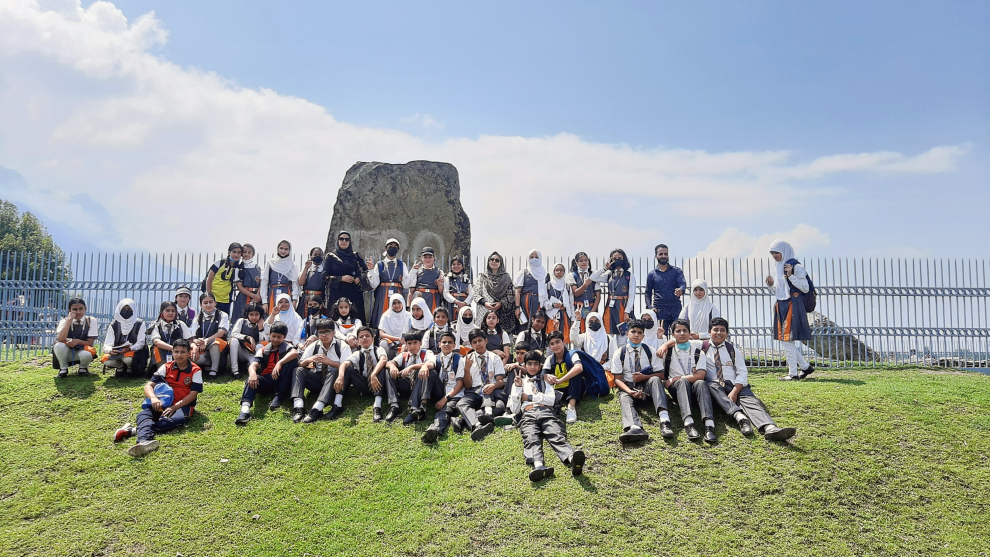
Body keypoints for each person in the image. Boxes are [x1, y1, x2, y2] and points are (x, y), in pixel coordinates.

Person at [698, 317, 797, 441]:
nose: (719, 333)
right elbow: (680, 340)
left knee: (751, 402)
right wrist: (665, 346)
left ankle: (770, 428)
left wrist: (735, 391)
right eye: (715, 330)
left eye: (722, 330)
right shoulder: (702, 346)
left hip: (735, 384)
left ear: (727, 333)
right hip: (716, 387)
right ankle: (741, 418)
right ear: (709, 332)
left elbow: (742, 372)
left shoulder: (732, 349)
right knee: (712, 385)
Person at [113, 339, 202, 457]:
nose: (179, 355)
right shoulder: (166, 367)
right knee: (143, 415)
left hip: (183, 406)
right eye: (176, 352)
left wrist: (174, 407)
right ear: (172, 352)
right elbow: (149, 385)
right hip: (162, 403)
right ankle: (144, 442)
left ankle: (131, 431)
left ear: (189, 353)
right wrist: (154, 398)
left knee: (166, 423)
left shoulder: (195, 370)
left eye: (183, 352)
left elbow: (193, 395)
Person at [510, 350, 587, 481]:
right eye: (529, 364)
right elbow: (514, 408)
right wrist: (518, 389)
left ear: (540, 366)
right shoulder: (518, 382)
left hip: (546, 412)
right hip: (528, 414)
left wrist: (528, 397)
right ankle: (538, 465)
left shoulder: (546, 380)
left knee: (556, 433)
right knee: (530, 437)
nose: (533, 367)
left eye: (536, 364)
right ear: (525, 365)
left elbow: (550, 400)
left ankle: (571, 457)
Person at [610, 319, 671, 444]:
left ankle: (664, 420)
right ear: (627, 333)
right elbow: (617, 379)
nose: (636, 335)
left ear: (643, 335)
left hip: (646, 386)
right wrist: (630, 391)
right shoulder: (619, 353)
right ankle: (635, 427)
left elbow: (661, 375)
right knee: (624, 397)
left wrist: (643, 377)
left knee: (655, 379)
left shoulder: (650, 351)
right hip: (629, 386)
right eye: (633, 331)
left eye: (639, 332)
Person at [766, 239, 816, 381]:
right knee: (784, 339)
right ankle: (805, 367)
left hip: (792, 304)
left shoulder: (796, 266)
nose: (775, 256)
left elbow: (805, 287)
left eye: (777, 252)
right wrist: (770, 285)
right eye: (772, 253)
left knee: (787, 339)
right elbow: (780, 289)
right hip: (780, 304)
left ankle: (793, 373)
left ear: (784, 251)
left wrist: (791, 275)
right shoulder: (778, 267)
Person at [662, 319, 716, 443]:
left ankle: (709, 425)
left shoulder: (698, 352)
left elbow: (701, 375)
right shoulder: (668, 352)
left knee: (701, 383)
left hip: (694, 388)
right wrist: (664, 344)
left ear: (689, 333)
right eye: (678, 331)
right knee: (682, 382)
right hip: (677, 389)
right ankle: (689, 424)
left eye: (685, 330)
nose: (682, 333)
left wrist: (675, 378)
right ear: (673, 335)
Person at [235, 321, 298, 425]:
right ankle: (245, 411)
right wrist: (253, 374)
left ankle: (279, 396)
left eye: (279, 337)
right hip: (267, 379)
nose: (276, 339)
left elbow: (295, 353)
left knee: (291, 363)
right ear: (270, 335)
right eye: (273, 336)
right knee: (251, 379)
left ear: (284, 337)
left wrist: (279, 363)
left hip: (282, 379)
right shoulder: (264, 349)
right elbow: (253, 364)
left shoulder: (288, 347)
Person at [327, 326, 390, 422]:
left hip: (378, 383)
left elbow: (383, 360)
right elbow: (344, 363)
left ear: (372, 339)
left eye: (367, 336)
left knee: (382, 369)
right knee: (347, 369)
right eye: (361, 337)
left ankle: (377, 406)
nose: (364, 338)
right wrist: (340, 376)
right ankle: (337, 404)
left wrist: (373, 375)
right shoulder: (357, 354)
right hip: (364, 384)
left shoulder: (379, 350)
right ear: (358, 341)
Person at [293, 319, 347, 423]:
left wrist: (329, 362)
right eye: (321, 332)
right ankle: (298, 406)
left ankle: (318, 408)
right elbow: (300, 363)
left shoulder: (342, 346)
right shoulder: (314, 345)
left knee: (335, 369)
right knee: (298, 370)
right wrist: (309, 360)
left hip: (335, 383)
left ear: (334, 332)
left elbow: (347, 367)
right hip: (317, 379)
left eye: (327, 331)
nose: (324, 335)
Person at [418, 331, 467, 443]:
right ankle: (421, 405)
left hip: (453, 394)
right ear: (439, 344)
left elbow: (460, 385)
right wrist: (425, 366)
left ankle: (435, 429)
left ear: (454, 345)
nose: (446, 344)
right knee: (430, 372)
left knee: (446, 409)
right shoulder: (436, 357)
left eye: (450, 342)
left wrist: (445, 399)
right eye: (444, 342)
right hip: (439, 390)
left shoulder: (460, 360)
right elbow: (430, 364)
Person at [454, 329, 502, 441]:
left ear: (486, 341)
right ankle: (477, 425)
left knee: (500, 407)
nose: (478, 344)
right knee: (460, 404)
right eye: (474, 342)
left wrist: (493, 386)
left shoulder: (495, 357)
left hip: (491, 390)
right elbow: (468, 386)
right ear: (471, 345)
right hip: (474, 391)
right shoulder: (465, 359)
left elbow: (500, 381)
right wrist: (466, 369)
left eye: (480, 340)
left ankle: (462, 420)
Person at [385, 332, 435, 424]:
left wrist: (412, 367)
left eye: (415, 342)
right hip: (406, 384)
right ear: (406, 344)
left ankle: (414, 408)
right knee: (388, 370)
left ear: (420, 343)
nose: (412, 346)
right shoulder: (404, 355)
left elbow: (431, 363)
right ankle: (394, 405)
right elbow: (389, 362)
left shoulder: (427, 352)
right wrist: (392, 366)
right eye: (409, 343)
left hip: (420, 385)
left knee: (424, 370)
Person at [590, 248, 636, 346]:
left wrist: (627, 312)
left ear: (624, 259)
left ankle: (622, 359)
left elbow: (631, 295)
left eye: (619, 258)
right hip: (610, 307)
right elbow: (593, 277)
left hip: (622, 307)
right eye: (614, 258)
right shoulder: (608, 274)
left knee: (622, 338)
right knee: (609, 337)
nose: (617, 260)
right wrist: (605, 268)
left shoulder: (629, 275)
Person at [365, 238, 415, 328]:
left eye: (395, 246)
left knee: (397, 315)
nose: (393, 248)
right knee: (381, 315)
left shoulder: (401, 264)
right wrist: (371, 270)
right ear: (385, 248)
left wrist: (414, 271)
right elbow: (374, 284)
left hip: (397, 292)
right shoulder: (379, 264)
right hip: (383, 294)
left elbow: (406, 285)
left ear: (398, 250)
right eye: (390, 246)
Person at [542, 330, 585, 424]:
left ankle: (571, 407)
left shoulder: (572, 354)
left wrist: (561, 380)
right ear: (549, 347)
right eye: (552, 344)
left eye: (558, 342)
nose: (555, 345)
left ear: (564, 342)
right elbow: (543, 374)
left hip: (573, 388)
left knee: (576, 373)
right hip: (558, 391)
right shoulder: (550, 359)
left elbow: (579, 367)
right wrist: (547, 376)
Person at [324, 231, 368, 323]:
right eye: (341, 239)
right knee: (335, 321)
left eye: (347, 239)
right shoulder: (331, 257)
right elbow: (325, 277)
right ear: (338, 241)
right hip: (337, 293)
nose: (344, 241)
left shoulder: (355, 256)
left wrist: (359, 278)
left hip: (354, 293)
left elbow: (365, 271)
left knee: (356, 320)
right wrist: (340, 278)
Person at [645, 244, 687, 335]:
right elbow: (648, 292)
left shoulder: (676, 271)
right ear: (656, 256)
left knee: (678, 335)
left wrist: (681, 290)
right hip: (659, 310)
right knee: (661, 336)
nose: (663, 256)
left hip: (675, 308)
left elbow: (682, 284)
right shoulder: (652, 274)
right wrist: (650, 307)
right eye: (661, 254)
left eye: (665, 254)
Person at [52, 297, 98, 378]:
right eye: (74, 309)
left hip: (82, 350)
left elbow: (90, 343)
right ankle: (63, 368)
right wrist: (69, 321)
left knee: (87, 355)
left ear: (85, 309)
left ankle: (83, 368)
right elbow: (60, 339)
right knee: (59, 345)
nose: (78, 312)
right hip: (66, 352)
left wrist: (76, 341)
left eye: (81, 309)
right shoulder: (64, 321)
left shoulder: (91, 320)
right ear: (69, 310)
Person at [101, 298, 147, 377]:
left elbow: (141, 343)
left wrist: (129, 349)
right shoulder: (114, 325)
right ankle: (120, 367)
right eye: (124, 309)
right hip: (118, 351)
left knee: (128, 359)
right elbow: (108, 343)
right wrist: (110, 350)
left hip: (133, 352)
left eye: (129, 309)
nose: (126, 311)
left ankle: (130, 368)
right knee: (106, 361)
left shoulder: (140, 323)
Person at [475, 251, 517, 336]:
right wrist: (485, 303)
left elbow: (511, 294)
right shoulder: (482, 277)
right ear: (488, 261)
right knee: (482, 335)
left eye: (497, 260)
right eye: (492, 259)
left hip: (501, 312)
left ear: (500, 263)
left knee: (500, 337)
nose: (494, 261)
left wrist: (501, 303)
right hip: (484, 310)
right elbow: (476, 293)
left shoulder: (506, 277)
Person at [148, 301, 194, 374]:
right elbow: (156, 342)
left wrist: (192, 348)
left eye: (173, 311)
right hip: (163, 351)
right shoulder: (156, 325)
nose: (170, 313)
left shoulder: (181, 324)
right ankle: (164, 371)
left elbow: (190, 341)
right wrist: (174, 349)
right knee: (155, 349)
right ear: (161, 312)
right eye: (167, 310)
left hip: (179, 353)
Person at [192, 292, 230, 379]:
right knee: (195, 358)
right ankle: (207, 364)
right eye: (205, 303)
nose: (208, 305)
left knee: (215, 343)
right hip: (202, 345)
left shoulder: (222, 315)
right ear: (201, 305)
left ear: (215, 303)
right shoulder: (197, 318)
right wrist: (198, 341)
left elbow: (221, 332)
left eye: (211, 302)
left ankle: (214, 370)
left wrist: (207, 340)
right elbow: (193, 336)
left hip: (217, 344)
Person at [228, 302, 268, 379]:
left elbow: (265, 341)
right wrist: (248, 337)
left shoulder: (263, 324)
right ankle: (234, 370)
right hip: (240, 351)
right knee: (234, 341)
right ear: (247, 314)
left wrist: (260, 328)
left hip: (252, 353)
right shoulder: (242, 321)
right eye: (251, 314)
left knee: (260, 346)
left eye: (256, 314)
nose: (254, 317)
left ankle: (254, 368)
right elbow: (234, 334)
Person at [569, 310, 613, 377]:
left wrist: (601, 368)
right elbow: (573, 338)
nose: (594, 323)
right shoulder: (584, 337)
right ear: (587, 323)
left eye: (596, 321)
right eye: (591, 321)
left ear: (601, 322)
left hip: (603, 370)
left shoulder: (609, 339)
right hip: (587, 370)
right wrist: (577, 321)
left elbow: (613, 359)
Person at [260, 240, 300, 313]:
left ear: (289, 250)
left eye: (286, 249)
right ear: (277, 249)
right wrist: (264, 302)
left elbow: (295, 285)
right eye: (281, 248)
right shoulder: (270, 263)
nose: (283, 251)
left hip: (287, 292)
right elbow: (264, 283)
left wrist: (294, 300)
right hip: (272, 293)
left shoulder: (292, 265)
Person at [514, 249, 548, 332]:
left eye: (536, 257)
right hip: (526, 301)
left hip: (539, 301)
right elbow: (517, 291)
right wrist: (517, 307)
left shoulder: (545, 274)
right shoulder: (523, 273)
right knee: (525, 324)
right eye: (531, 257)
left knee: (538, 323)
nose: (534, 259)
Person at [567, 251, 601, 333]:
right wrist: (585, 285)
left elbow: (598, 296)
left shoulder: (593, 275)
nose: (584, 262)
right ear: (576, 262)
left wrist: (592, 311)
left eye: (586, 260)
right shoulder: (572, 275)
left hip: (591, 307)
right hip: (578, 309)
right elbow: (576, 292)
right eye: (581, 260)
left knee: (591, 332)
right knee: (577, 333)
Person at [205, 242, 242, 316]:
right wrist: (209, 296)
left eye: (239, 253)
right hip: (214, 298)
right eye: (234, 252)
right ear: (229, 252)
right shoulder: (220, 263)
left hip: (226, 300)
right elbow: (209, 279)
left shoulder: (238, 267)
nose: (236, 255)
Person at [230, 243, 262, 324]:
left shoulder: (259, 268)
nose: (246, 254)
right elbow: (240, 287)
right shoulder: (238, 268)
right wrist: (253, 296)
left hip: (257, 297)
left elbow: (262, 284)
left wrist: (257, 295)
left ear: (253, 254)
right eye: (244, 252)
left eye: (249, 252)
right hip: (244, 297)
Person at [407, 247, 445, 313]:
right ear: (421, 258)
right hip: (420, 298)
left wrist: (439, 285)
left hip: (434, 300)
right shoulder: (416, 272)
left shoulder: (440, 272)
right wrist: (408, 307)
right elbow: (411, 292)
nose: (427, 259)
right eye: (425, 257)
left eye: (430, 257)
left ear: (434, 258)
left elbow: (442, 293)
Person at [545, 263, 575, 344]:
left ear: (564, 272)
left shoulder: (567, 287)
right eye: (557, 270)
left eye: (561, 270)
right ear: (553, 271)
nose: (559, 272)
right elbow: (543, 301)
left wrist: (572, 318)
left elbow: (571, 304)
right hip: (551, 315)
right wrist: (552, 305)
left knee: (564, 339)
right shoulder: (548, 286)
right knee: (551, 338)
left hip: (564, 315)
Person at [377, 293, 411, 358]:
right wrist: (398, 339)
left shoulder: (408, 315)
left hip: (405, 341)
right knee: (384, 343)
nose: (397, 305)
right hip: (391, 342)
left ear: (403, 303)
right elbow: (382, 334)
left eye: (399, 302)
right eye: (394, 303)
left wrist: (404, 341)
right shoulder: (386, 315)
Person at [297, 247, 327, 317]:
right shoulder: (307, 268)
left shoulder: (325, 269)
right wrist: (306, 268)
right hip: (307, 297)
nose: (317, 256)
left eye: (320, 254)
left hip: (320, 298)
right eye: (315, 254)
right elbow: (301, 283)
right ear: (311, 256)